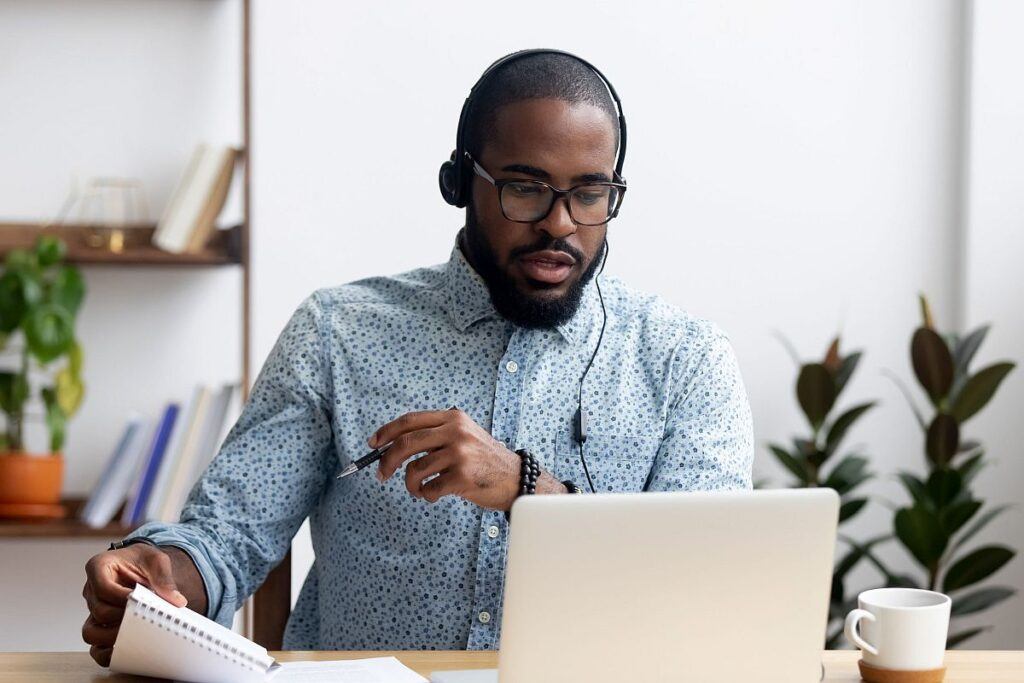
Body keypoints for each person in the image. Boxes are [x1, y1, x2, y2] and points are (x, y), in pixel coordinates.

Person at [81, 50, 754, 664]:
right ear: (461, 182)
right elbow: (228, 535)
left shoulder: (685, 360)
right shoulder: (337, 331)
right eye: (526, 187)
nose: (561, 223)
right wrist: (162, 573)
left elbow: (701, 584)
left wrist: (527, 487)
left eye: (590, 193)